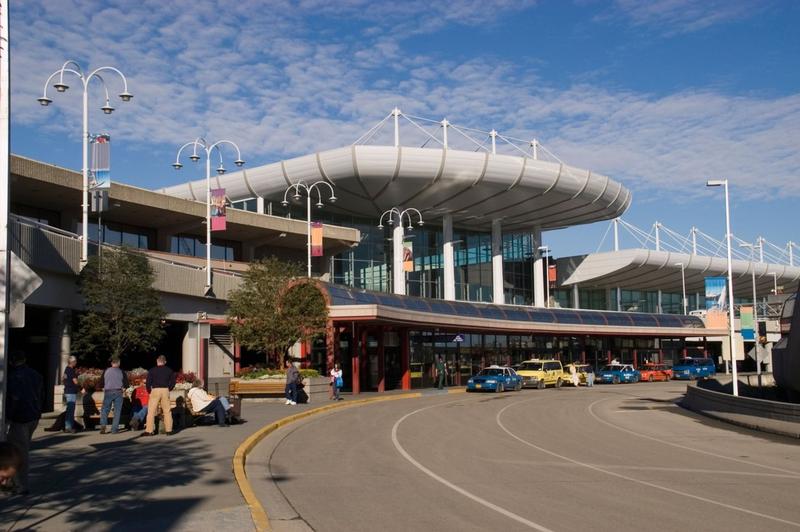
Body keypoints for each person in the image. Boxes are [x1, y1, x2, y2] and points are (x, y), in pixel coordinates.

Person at [5, 350, 43, 495]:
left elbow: (14, 398)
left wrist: (8, 417)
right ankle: (13, 481)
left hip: (20, 418)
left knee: (18, 451)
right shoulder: (35, 375)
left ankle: (20, 484)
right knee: (20, 449)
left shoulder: (14, 377)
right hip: (32, 416)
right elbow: (41, 395)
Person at [142, 355, 176, 436]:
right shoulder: (169, 370)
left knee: (151, 411)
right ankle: (169, 430)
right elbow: (173, 382)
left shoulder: (152, 370)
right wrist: (169, 389)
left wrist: (149, 391)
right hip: (165, 390)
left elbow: (148, 382)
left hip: (155, 390)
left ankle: (149, 431)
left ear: (157, 361)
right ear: (165, 362)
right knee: (167, 411)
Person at [99, 358, 128, 434]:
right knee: (117, 411)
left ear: (111, 363)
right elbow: (126, 384)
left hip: (108, 392)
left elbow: (101, 382)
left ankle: (103, 425)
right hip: (118, 392)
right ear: (118, 363)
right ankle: (114, 429)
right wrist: (123, 389)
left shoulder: (106, 371)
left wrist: (103, 388)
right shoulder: (121, 371)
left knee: (105, 409)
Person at [62, 355, 79, 433]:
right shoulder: (71, 370)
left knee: (69, 410)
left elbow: (63, 379)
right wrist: (81, 388)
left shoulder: (66, 370)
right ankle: (69, 427)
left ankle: (67, 426)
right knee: (71, 410)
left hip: (67, 391)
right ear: (72, 362)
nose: (76, 363)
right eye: (75, 362)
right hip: (71, 392)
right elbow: (75, 381)